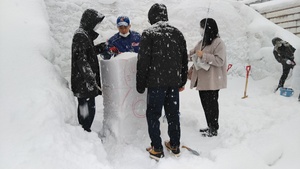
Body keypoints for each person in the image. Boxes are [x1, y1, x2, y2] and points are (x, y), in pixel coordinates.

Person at [136, 3, 188, 160]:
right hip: (172, 83)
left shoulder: (149, 34)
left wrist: (140, 83)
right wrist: (181, 81)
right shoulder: (177, 33)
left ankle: (157, 148)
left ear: (151, 17)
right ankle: (175, 145)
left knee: (153, 115)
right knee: (173, 115)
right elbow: (184, 60)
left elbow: (143, 61)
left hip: (155, 84)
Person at [188, 18, 227, 137]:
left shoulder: (218, 43)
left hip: (212, 81)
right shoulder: (201, 42)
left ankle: (214, 128)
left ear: (208, 28)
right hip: (202, 81)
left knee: (212, 105)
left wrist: (204, 56)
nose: (200, 29)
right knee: (205, 105)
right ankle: (209, 125)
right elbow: (192, 53)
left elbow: (220, 61)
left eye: (202, 27)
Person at [71, 9, 106, 132]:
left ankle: (85, 130)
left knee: (88, 107)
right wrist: (90, 78)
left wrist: (100, 48)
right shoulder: (80, 35)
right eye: (96, 23)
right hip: (83, 82)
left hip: (84, 82)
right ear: (90, 21)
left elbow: (88, 53)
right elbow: (82, 60)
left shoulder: (84, 34)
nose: (97, 26)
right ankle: (84, 131)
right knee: (86, 109)